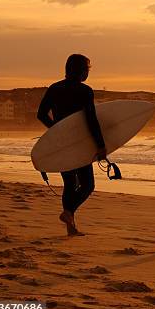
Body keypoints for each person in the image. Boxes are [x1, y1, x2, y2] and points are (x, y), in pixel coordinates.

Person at [37, 54, 106, 236]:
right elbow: (91, 120)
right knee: (88, 184)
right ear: (82, 71)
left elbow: (41, 114)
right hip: (79, 143)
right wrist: (100, 145)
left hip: (61, 143)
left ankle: (70, 225)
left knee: (69, 183)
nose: (88, 74)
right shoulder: (85, 91)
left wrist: (56, 129)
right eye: (87, 70)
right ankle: (68, 214)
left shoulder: (55, 88)